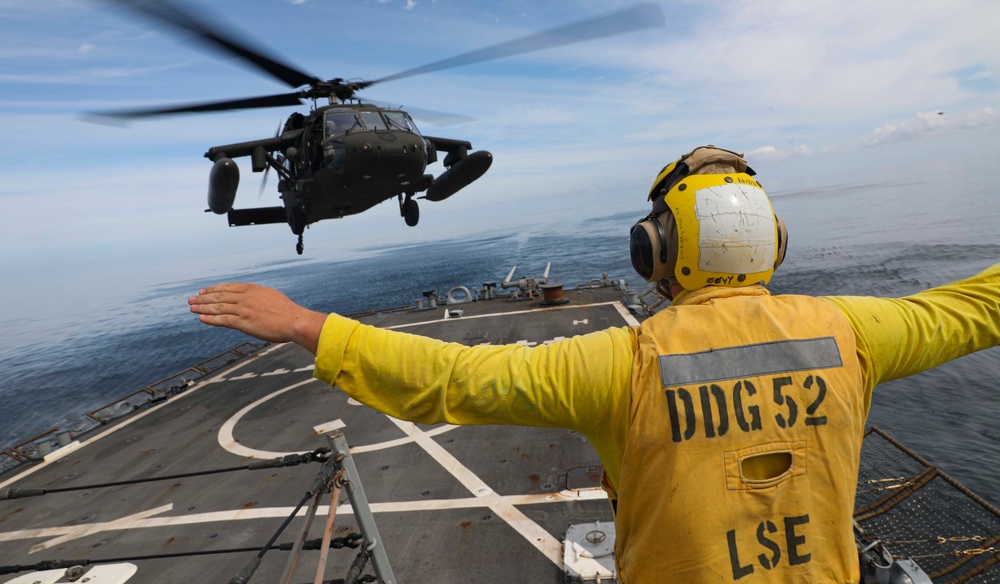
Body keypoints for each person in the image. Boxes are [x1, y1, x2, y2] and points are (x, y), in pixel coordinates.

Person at [189, 146, 1000, 583]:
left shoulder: (625, 361)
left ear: (656, 251)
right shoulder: (855, 333)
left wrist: (306, 324)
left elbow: (456, 378)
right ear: (772, 241)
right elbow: (977, 309)